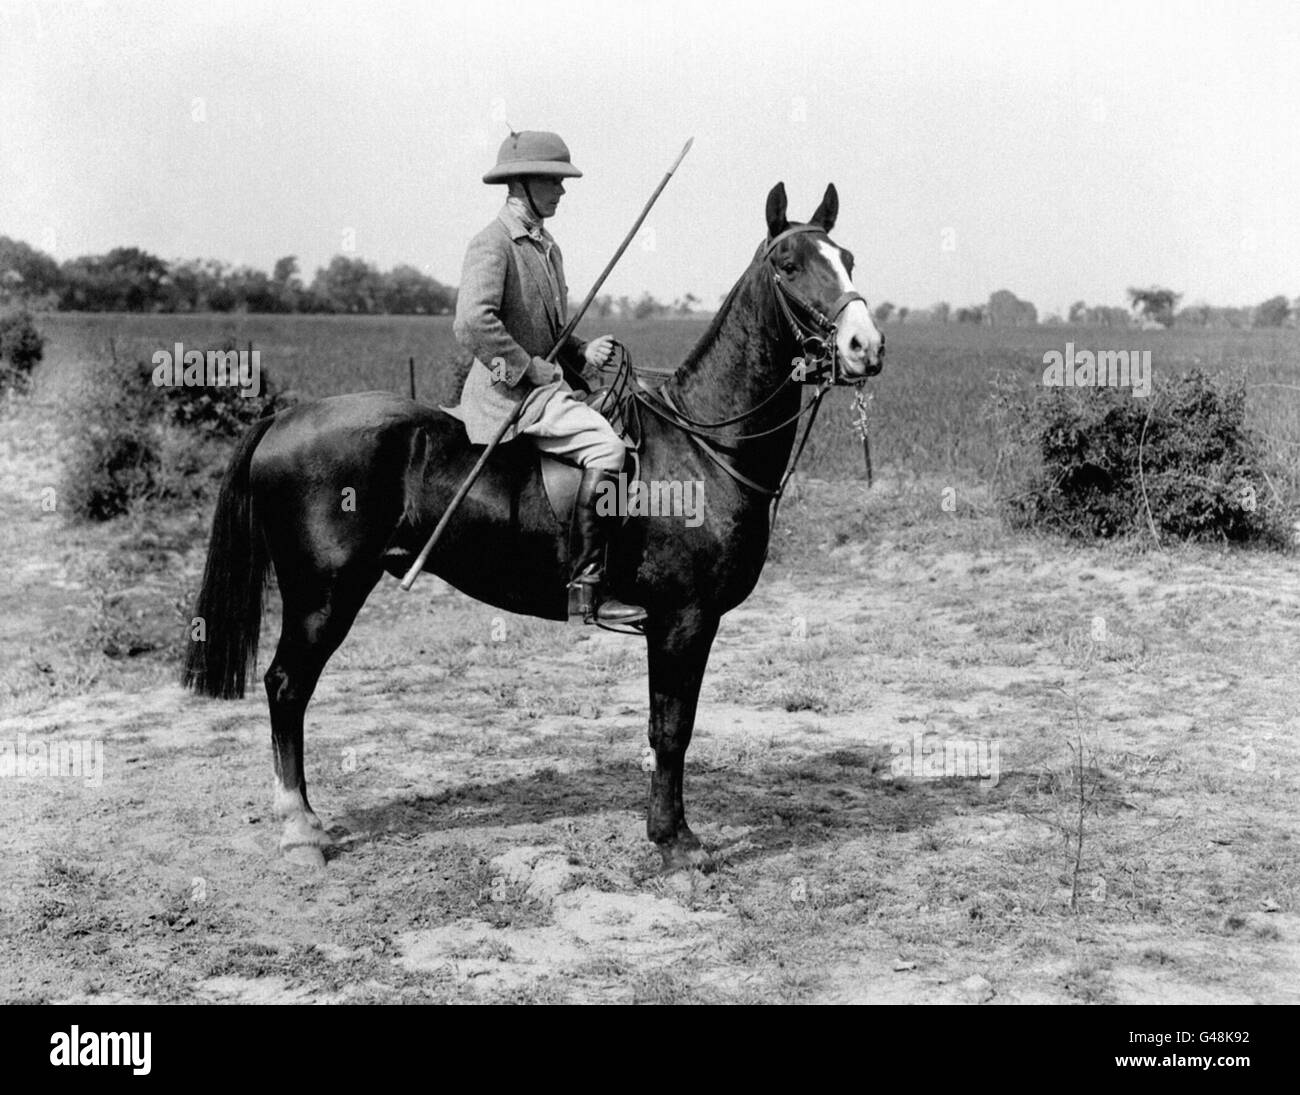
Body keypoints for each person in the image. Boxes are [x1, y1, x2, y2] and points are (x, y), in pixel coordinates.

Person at [448, 130, 646, 626]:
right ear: (521, 184)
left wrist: (582, 351)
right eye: (553, 181)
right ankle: (587, 588)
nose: (561, 190)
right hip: (508, 396)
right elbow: (471, 324)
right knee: (609, 451)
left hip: (546, 385)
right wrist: (524, 369)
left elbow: (551, 333)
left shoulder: (546, 248)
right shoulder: (493, 244)